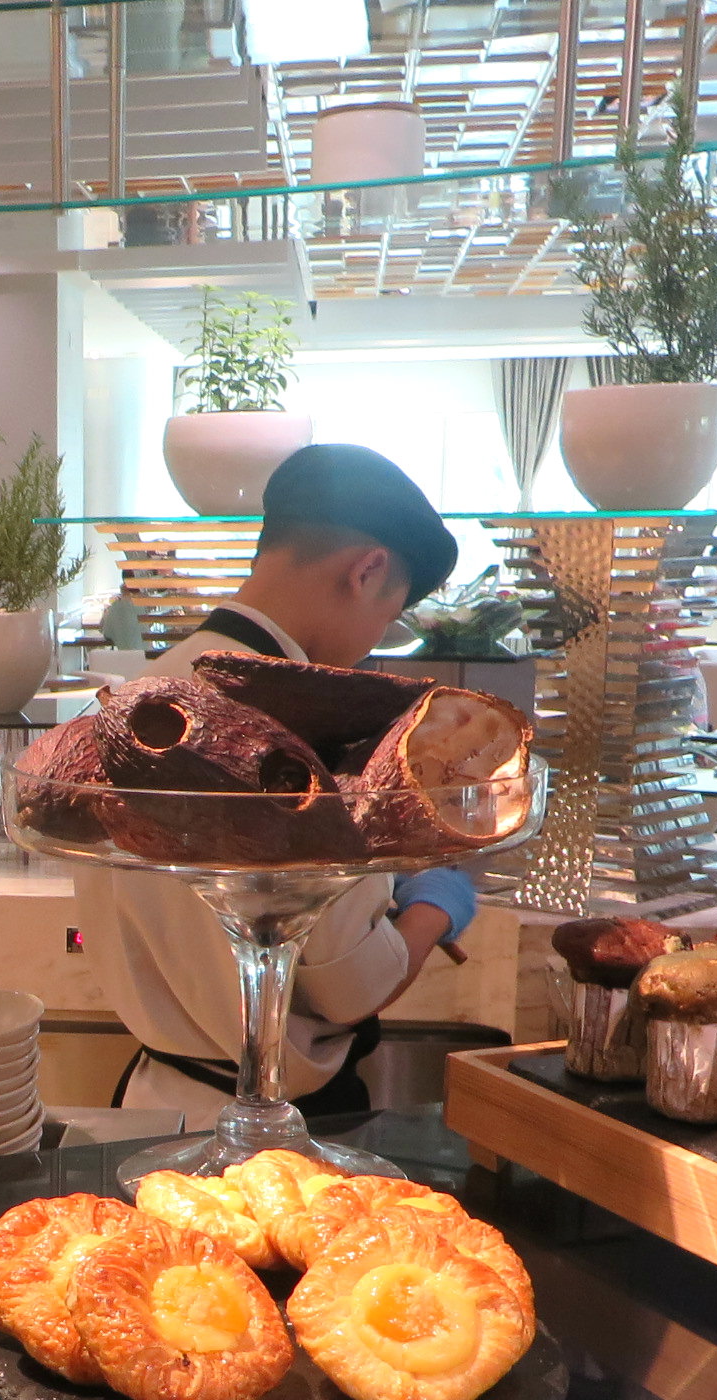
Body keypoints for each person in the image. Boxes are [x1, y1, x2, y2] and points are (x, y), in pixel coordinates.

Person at [75, 443, 484, 1122]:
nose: (373, 642)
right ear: (367, 570)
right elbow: (354, 985)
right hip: (270, 1127)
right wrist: (436, 904)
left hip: (150, 1105)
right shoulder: (302, 737)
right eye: (388, 617)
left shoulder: (135, 697)